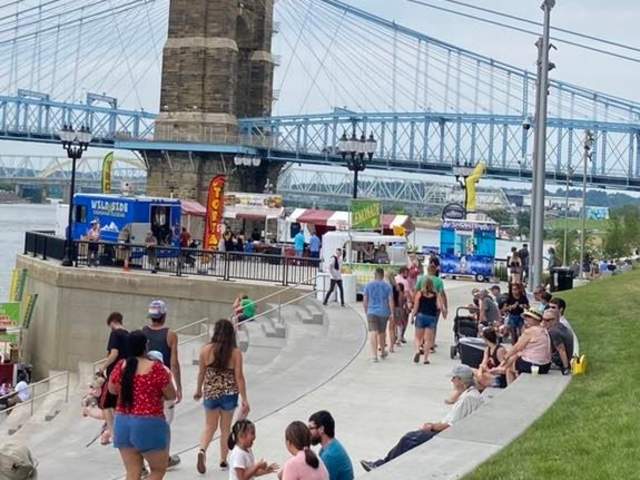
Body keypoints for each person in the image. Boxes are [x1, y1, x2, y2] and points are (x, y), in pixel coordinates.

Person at [360, 365, 483, 471]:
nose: (451, 381)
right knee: (410, 437)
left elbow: (450, 424)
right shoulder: (468, 393)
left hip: (449, 434)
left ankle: (382, 466)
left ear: (460, 380)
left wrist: (431, 426)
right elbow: (450, 402)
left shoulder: (469, 398)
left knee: (409, 438)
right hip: (449, 430)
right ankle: (382, 464)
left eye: (454, 378)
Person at [108, 330, 177, 480]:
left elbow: (111, 390)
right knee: (158, 471)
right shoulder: (156, 368)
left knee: (132, 472)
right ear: (146, 346)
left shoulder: (121, 366)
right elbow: (171, 395)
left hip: (122, 422)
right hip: (149, 422)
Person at [194, 319, 250, 474]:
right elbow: (239, 377)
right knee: (225, 428)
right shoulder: (235, 352)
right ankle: (223, 460)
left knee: (209, 426)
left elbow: (201, 373)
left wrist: (198, 390)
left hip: (211, 393)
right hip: (229, 394)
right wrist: (244, 399)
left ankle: (202, 451)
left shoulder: (205, 350)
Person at [142, 300, 183, 468]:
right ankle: (164, 458)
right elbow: (174, 362)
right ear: (164, 315)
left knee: (145, 419)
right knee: (165, 423)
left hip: (146, 381)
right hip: (164, 382)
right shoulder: (170, 335)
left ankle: (144, 462)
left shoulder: (142, 332)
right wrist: (178, 386)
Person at [495, 309, 551, 384]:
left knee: (509, 368)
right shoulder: (543, 329)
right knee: (516, 357)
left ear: (536, 319)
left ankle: (511, 388)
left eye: (529, 317)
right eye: (526, 317)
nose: (526, 319)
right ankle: (502, 368)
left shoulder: (530, 331)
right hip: (545, 366)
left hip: (534, 365)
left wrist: (505, 357)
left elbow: (517, 347)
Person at [99, 312, 130, 446]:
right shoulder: (128, 334)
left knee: (106, 404)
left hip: (114, 374)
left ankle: (113, 434)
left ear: (111, 322)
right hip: (126, 373)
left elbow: (114, 353)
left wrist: (102, 367)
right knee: (118, 405)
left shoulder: (115, 334)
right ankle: (118, 432)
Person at [308, 411, 354, 480]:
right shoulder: (329, 447)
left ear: (321, 429)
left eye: (311, 428)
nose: (308, 432)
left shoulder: (329, 456)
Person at [363, 268, 394, 363]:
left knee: (373, 332)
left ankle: (374, 355)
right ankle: (383, 351)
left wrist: (366, 311)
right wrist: (392, 312)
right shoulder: (387, 286)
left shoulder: (368, 285)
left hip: (371, 311)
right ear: (382, 275)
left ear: (375, 274)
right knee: (382, 332)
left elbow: (365, 300)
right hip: (384, 312)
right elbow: (390, 300)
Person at [411, 277, 444, 365]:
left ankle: (418, 350)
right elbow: (439, 306)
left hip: (421, 316)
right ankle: (425, 359)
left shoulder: (419, 294)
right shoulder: (436, 294)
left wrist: (412, 316)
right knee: (428, 340)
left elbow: (416, 307)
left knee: (418, 337)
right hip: (431, 317)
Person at [542, 308, 573, 375]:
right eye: (543, 319)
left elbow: (561, 350)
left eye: (547, 320)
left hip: (557, 363)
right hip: (566, 359)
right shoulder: (562, 326)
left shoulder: (553, 332)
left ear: (555, 319)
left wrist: (566, 368)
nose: (544, 322)